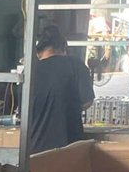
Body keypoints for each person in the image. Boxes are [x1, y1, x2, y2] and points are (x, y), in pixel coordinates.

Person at [28, 24, 93, 153]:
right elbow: (87, 101)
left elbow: (23, 110)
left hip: (36, 150)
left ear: (38, 52)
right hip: (69, 147)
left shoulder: (30, 70)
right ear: (63, 48)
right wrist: (66, 108)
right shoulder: (76, 65)